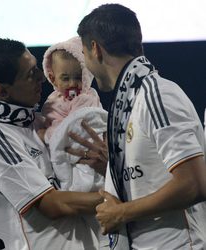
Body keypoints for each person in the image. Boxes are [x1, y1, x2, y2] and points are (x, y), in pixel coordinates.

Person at [66, 3, 206, 250]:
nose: (86, 66)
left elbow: (194, 183)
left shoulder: (156, 95)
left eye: (84, 55)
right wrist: (114, 169)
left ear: (96, 49)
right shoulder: (130, 101)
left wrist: (121, 213)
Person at [0, 38, 108, 250]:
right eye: (30, 75)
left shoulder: (41, 120)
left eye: (37, 68)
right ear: (2, 91)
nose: (42, 79)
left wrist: (106, 165)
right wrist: (120, 199)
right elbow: (52, 205)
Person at [40, 36, 109, 249]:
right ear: (53, 78)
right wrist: (50, 132)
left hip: (88, 156)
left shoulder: (86, 97)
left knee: (88, 183)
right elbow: (53, 123)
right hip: (66, 160)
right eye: (65, 78)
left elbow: (82, 124)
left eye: (78, 77)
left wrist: (49, 135)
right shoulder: (52, 102)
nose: (72, 84)